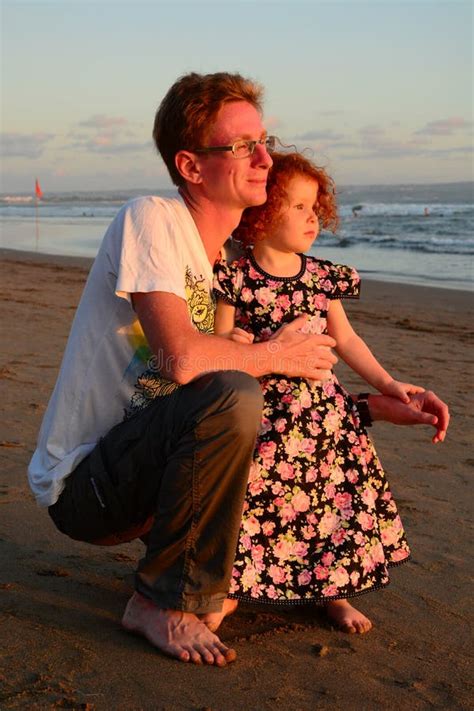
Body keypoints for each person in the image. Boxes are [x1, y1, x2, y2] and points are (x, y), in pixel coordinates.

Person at [27, 72, 449, 666]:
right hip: (90, 486)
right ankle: (156, 602)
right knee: (232, 387)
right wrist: (276, 353)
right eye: (241, 146)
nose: (265, 158)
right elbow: (183, 361)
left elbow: (266, 404)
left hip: (160, 474)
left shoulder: (226, 267)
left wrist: (370, 405)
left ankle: (269, 579)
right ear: (192, 167)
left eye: (264, 140)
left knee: (245, 391)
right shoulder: (152, 219)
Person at [213, 151, 447, 634]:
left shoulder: (323, 277)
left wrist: (387, 384)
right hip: (262, 414)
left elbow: (347, 339)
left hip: (324, 418)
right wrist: (239, 346)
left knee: (333, 500)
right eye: (297, 206)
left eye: (315, 206)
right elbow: (217, 346)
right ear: (260, 211)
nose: (311, 216)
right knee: (254, 503)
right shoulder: (235, 277)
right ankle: (233, 587)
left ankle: (334, 590)